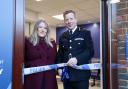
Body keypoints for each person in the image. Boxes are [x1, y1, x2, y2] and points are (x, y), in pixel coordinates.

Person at [56, 10, 94, 89]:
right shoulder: (62, 36)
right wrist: (59, 68)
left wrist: (77, 59)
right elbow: (60, 54)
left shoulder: (85, 33)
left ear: (75, 20)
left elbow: (90, 51)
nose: (69, 21)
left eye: (71, 18)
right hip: (67, 76)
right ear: (64, 21)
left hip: (81, 76)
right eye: (66, 19)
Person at [24, 20, 58, 89]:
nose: (43, 30)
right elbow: (23, 60)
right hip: (33, 78)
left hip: (49, 78)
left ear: (47, 30)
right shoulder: (28, 41)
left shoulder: (52, 43)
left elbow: (55, 59)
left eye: (45, 28)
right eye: (40, 27)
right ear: (36, 28)